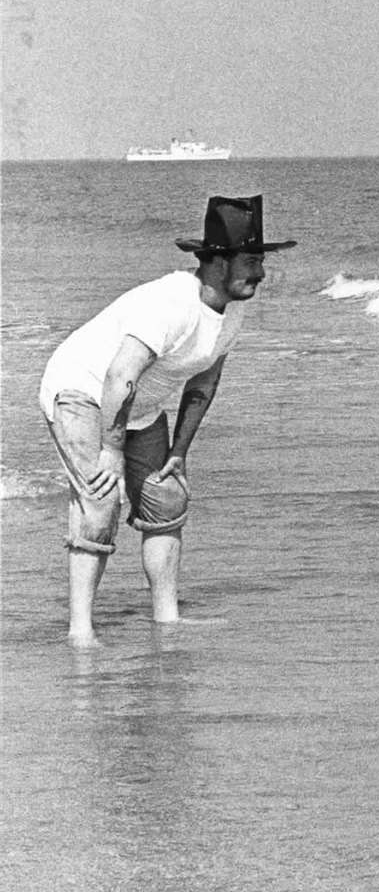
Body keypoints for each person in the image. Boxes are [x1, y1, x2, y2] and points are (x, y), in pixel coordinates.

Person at [37, 194, 296, 645]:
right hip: (81, 389)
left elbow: (203, 384)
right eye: (252, 261)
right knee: (101, 502)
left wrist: (178, 452)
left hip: (137, 404)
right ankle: (81, 631)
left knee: (167, 498)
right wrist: (111, 450)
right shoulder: (170, 303)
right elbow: (119, 375)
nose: (261, 273)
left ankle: (167, 618)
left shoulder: (233, 309)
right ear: (217, 262)